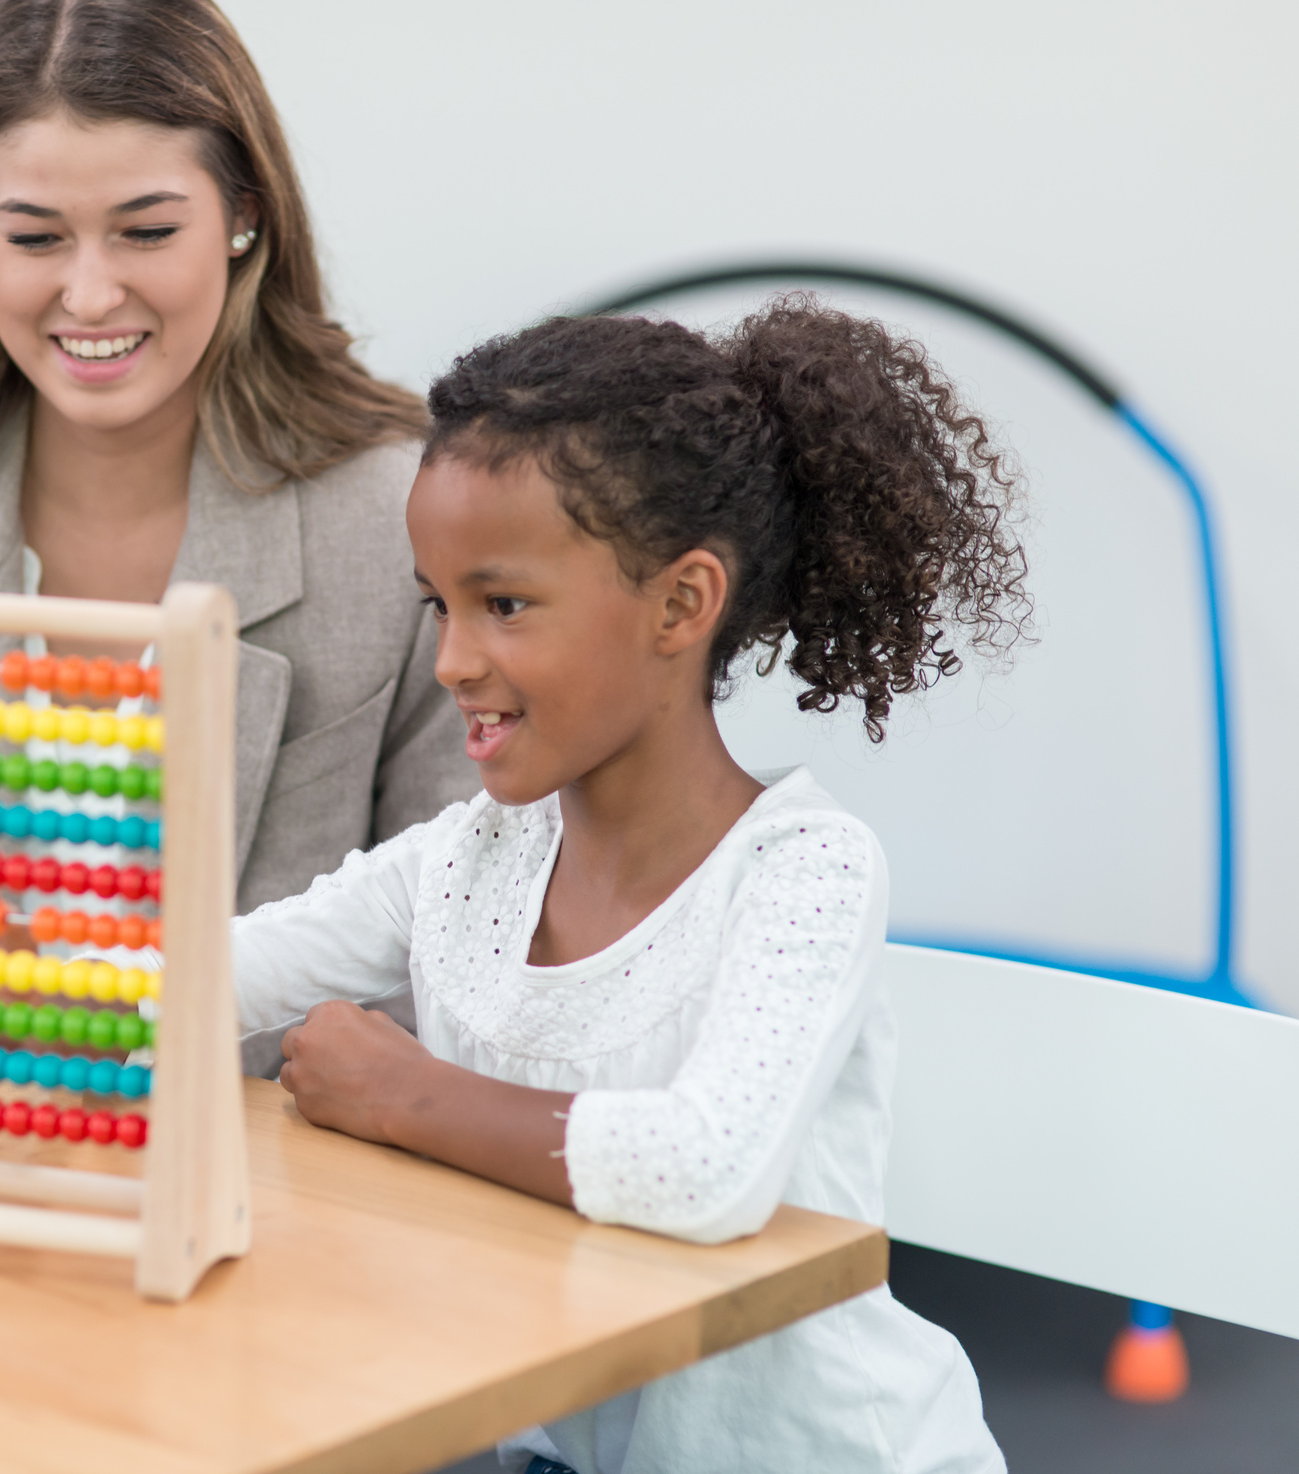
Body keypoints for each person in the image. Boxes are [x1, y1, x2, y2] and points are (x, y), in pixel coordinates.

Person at [235, 301, 1029, 1472]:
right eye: (437, 605)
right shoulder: (466, 864)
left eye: (503, 605)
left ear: (680, 603)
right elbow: (200, 976)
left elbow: (702, 1170)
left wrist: (401, 1094)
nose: (453, 659)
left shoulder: (802, 871)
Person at [0, 0, 474, 1014]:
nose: (88, 296)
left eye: (147, 231)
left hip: (286, 1163)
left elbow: (458, 975)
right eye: (36, 238)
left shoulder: (395, 524)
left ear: (244, 213)